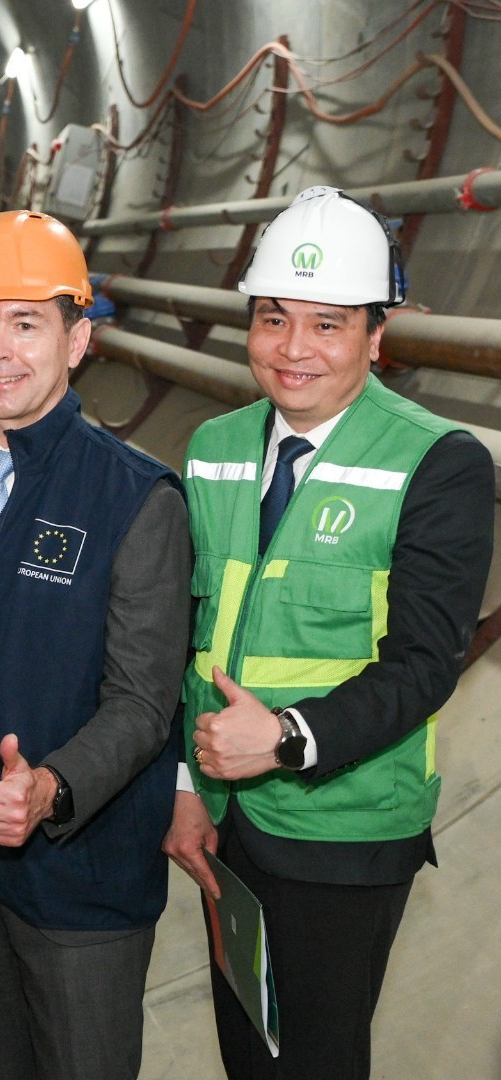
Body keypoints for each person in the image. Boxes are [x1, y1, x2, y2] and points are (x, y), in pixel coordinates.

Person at [163, 186, 493, 1079]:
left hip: (346, 829)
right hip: (228, 820)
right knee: (248, 1050)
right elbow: (195, 635)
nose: (294, 350)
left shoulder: (438, 462)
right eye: (274, 320)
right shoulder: (212, 447)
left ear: (376, 336)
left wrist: (286, 736)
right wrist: (190, 782)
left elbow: (425, 663)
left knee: (317, 1059)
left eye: (328, 325)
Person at [0, 210, 191, 1080]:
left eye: (25, 323)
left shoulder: (134, 496)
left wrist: (52, 786)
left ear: (78, 338)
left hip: (79, 883)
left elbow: (143, 702)